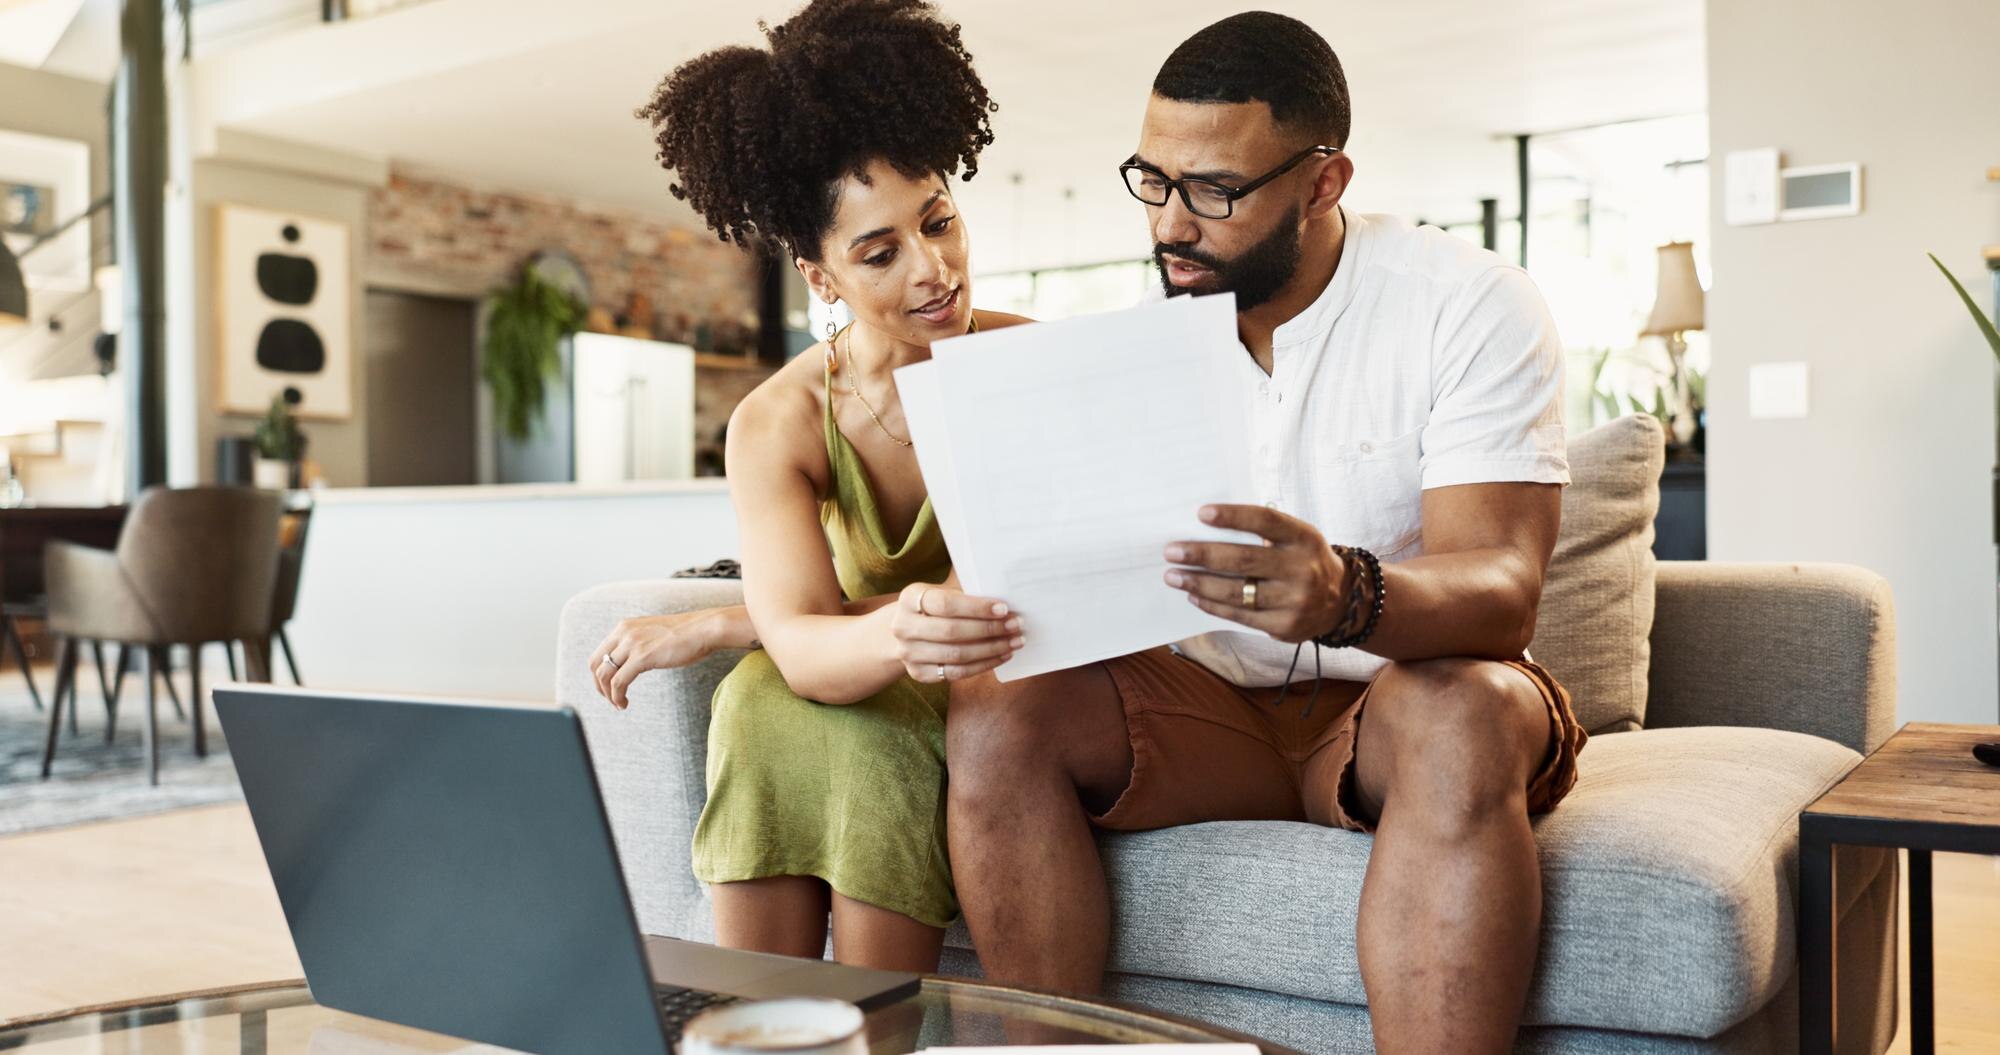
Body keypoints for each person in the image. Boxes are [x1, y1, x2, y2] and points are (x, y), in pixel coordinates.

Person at [943, 13, 1587, 1054]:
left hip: (1397, 706)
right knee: (995, 700)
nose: (1169, 224)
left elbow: (1502, 589)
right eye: (1150, 180)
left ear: (1322, 182)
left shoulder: (1464, 304)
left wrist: (1346, 593)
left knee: (1460, 709)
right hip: (1209, 716)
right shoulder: (1135, 345)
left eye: (1214, 191)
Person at [591, 0, 1029, 973]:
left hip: (987, 686)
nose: (935, 270)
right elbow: (800, 646)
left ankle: (875, 1032)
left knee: (865, 723)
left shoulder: (1025, 363)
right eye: (879, 254)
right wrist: (888, 619)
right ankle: (756, 1025)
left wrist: (758, 621)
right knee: (756, 699)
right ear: (818, 275)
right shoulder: (779, 420)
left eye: (940, 222)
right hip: (851, 665)